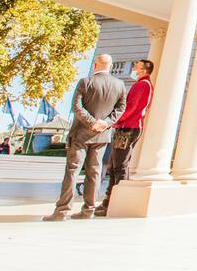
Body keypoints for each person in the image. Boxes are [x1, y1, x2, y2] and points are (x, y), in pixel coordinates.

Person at [44, 53, 125, 222]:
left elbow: (76, 107)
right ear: (110, 66)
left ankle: (62, 210)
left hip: (81, 133)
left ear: (95, 65)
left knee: (72, 170)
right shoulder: (119, 85)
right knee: (94, 172)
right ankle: (88, 210)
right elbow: (120, 108)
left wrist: (91, 122)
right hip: (102, 135)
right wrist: (105, 123)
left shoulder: (86, 82)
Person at [99, 59, 153, 216]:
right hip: (128, 127)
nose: (134, 67)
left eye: (137, 65)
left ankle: (117, 202)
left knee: (120, 165)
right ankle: (109, 201)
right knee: (115, 165)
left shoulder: (142, 85)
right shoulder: (143, 84)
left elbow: (131, 107)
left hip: (128, 128)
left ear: (143, 70)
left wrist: (114, 120)